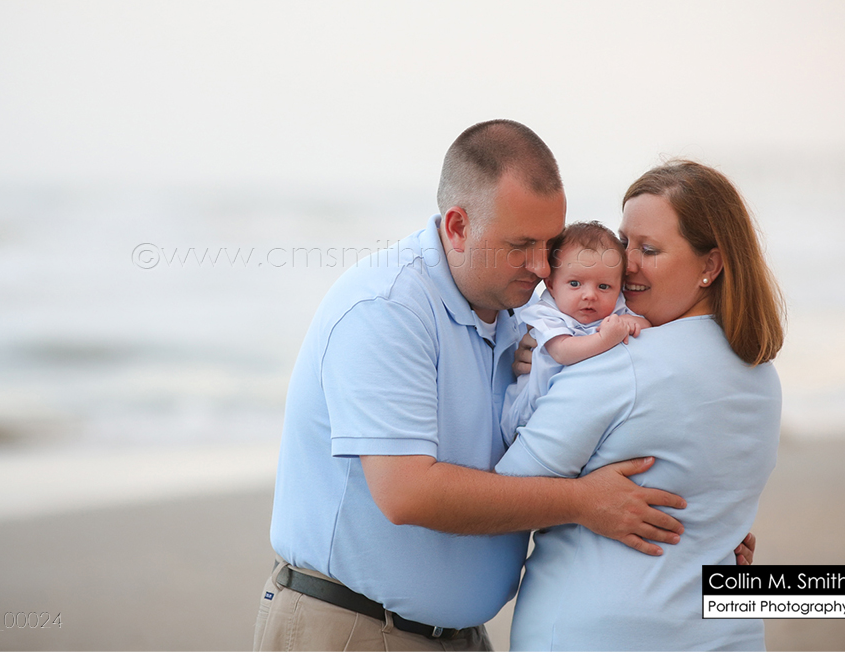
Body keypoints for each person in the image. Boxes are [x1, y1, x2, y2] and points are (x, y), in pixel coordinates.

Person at [254, 120, 690, 652]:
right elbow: (409, 493)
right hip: (354, 629)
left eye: (550, 243)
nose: (540, 265)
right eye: (521, 245)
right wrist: (581, 502)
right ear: (458, 226)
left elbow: (571, 440)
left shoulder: (522, 311)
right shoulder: (388, 310)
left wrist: (706, 522)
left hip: (460, 638)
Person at [496, 159, 784, 651]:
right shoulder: (763, 376)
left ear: (709, 266)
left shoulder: (621, 364)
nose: (625, 263)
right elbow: (723, 531)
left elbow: (503, 496)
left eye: (649, 249)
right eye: (625, 241)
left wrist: (580, 501)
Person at [500, 221, 650, 444]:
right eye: (575, 283)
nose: (590, 295)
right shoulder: (547, 314)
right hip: (527, 415)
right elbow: (562, 352)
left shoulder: (615, 310)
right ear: (551, 285)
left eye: (603, 287)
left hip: (579, 412)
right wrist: (604, 338)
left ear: (619, 288)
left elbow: (645, 326)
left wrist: (634, 321)